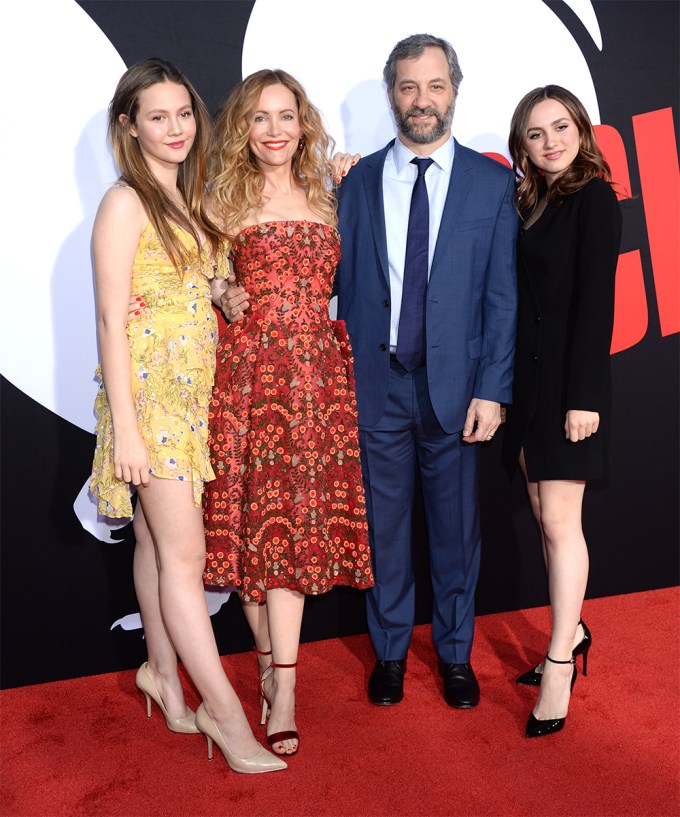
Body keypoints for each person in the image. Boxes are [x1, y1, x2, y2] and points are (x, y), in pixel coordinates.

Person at [88, 58, 286, 774]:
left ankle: (163, 676)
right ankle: (226, 717)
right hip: (152, 408)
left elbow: (187, 288)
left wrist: (222, 290)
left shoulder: (185, 197)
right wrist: (132, 431)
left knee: (151, 544)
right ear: (129, 126)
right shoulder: (125, 202)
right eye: (157, 116)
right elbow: (111, 320)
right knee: (185, 558)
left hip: (191, 397)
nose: (175, 129)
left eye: (183, 114)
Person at [326, 33, 518, 708]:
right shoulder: (355, 182)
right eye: (408, 87)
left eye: (435, 86)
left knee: (456, 532)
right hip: (375, 386)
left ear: (454, 92)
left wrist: (493, 389)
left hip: (456, 391)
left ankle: (457, 654)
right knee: (384, 530)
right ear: (391, 96)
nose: (421, 100)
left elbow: (502, 297)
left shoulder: (493, 183)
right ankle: (390, 652)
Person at [202, 69, 373, 756]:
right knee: (250, 532)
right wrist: (221, 286)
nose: (275, 130)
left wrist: (356, 177)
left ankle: (287, 686)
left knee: (293, 532)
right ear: (242, 129)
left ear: (303, 123)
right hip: (246, 380)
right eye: (259, 118)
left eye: (286, 116)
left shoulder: (333, 195)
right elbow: (191, 272)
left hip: (316, 384)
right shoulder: (218, 199)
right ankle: (274, 668)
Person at [502, 85, 622, 737]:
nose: (551, 142)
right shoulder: (529, 199)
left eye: (560, 127)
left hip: (569, 388)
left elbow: (596, 302)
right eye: (536, 133)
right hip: (527, 383)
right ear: (522, 145)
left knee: (559, 520)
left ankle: (557, 664)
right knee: (548, 523)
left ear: (581, 128)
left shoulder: (595, 197)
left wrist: (585, 397)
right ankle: (571, 631)